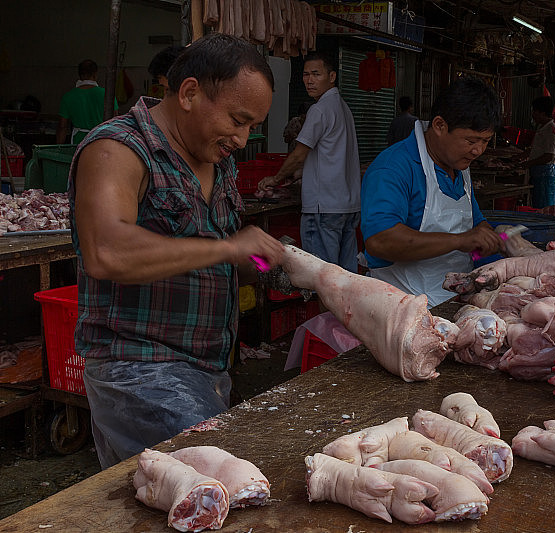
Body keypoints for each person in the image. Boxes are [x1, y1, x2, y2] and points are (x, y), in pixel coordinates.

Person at [68, 33, 285, 469]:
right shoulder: (118, 148)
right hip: (140, 371)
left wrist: (271, 263)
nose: (242, 139)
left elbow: (228, 265)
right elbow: (106, 252)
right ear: (189, 93)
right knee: (213, 489)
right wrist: (226, 248)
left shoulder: (217, 160)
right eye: (237, 120)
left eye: (251, 128)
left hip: (209, 367)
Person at [360, 77, 504, 308]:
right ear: (439, 126)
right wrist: (460, 240)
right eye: (471, 140)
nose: (478, 150)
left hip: (455, 300)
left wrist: (489, 236)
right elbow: (380, 240)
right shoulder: (393, 167)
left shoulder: (459, 165)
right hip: (403, 306)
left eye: (485, 141)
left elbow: (476, 223)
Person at [257, 52, 361, 273]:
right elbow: (329, 155)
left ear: (331, 76)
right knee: (346, 278)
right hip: (347, 206)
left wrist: (276, 178)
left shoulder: (320, 109)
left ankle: (325, 310)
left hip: (324, 208)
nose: (309, 80)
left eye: (316, 74)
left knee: (322, 278)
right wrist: (299, 173)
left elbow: (298, 154)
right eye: (305, 74)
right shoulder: (342, 107)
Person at [56, 59, 117, 144]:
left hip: (79, 142)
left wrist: (58, 147)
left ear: (80, 75)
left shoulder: (68, 96)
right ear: (95, 74)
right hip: (100, 139)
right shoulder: (107, 95)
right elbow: (115, 120)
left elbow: (62, 127)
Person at [515, 96, 555, 208]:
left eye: (534, 111)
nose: (532, 114)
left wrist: (527, 164)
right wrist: (520, 156)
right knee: (536, 204)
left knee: (544, 207)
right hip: (538, 172)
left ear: (543, 113)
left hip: (546, 173)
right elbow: (537, 149)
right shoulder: (542, 127)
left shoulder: (551, 131)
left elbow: (548, 156)